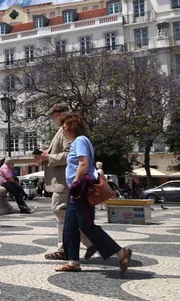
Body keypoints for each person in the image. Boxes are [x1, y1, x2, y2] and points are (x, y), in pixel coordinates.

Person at [55, 113, 132, 273]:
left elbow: (83, 164)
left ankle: (120, 252)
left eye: (63, 127)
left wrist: (75, 182)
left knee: (86, 225)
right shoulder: (76, 142)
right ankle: (73, 261)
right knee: (70, 226)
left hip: (81, 188)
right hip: (75, 189)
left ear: (71, 127)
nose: (62, 130)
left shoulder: (80, 140)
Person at [37, 103, 94, 261]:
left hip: (65, 181)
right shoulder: (63, 130)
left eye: (54, 116)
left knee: (61, 212)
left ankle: (90, 241)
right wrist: (46, 154)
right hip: (64, 180)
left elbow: (70, 155)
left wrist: (49, 158)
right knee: (61, 214)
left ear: (62, 114)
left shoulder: (68, 131)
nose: (53, 120)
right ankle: (64, 248)